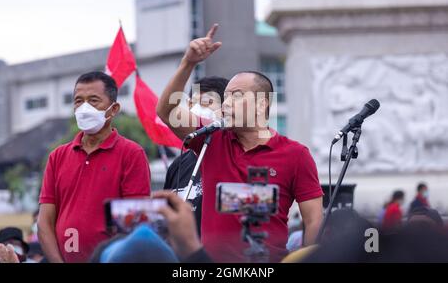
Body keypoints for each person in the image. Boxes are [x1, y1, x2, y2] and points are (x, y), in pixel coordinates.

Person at [156, 24, 323, 262]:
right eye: (225, 98)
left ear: (263, 103)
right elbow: (166, 111)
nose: (226, 104)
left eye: (236, 96)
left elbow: (313, 219)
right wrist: (188, 63)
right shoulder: (211, 140)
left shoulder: (296, 154)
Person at [38, 71, 151, 263]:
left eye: (93, 100)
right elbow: (44, 222)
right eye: (78, 101)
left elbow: (135, 224)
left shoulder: (132, 154)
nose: (84, 108)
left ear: (113, 109)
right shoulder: (57, 156)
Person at [163, 76, 228, 236]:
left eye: (207, 103)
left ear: (225, 109)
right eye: (191, 103)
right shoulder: (178, 165)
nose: (197, 109)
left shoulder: (233, 157)